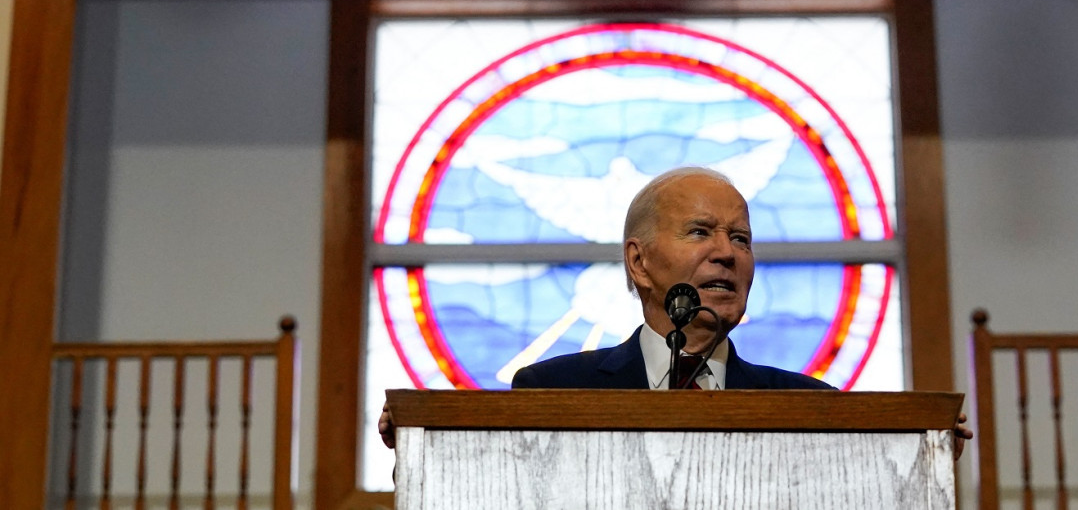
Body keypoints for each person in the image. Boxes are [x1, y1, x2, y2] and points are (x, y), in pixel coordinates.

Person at [380, 166, 970, 453]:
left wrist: (916, 449)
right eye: (700, 233)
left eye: (740, 239)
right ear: (639, 263)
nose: (726, 254)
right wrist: (427, 437)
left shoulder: (811, 407)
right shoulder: (553, 390)